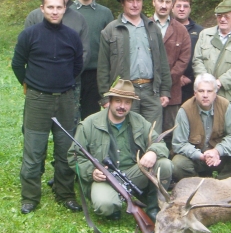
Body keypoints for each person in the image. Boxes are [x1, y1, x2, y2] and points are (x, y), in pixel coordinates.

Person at [12, 0, 84, 214]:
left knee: (65, 149)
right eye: (50, 7)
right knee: (34, 150)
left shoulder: (72, 36)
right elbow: (17, 64)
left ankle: (65, 193)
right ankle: (30, 197)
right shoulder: (29, 35)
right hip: (37, 100)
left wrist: (62, 84)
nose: (54, 11)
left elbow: (77, 66)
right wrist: (32, 85)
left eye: (59, 7)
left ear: (65, 9)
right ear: (42, 9)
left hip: (65, 100)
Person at [68, 80, 172, 222]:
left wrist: (153, 151)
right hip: (105, 178)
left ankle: (154, 208)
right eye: (118, 101)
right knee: (105, 205)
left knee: (165, 164)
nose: (122, 106)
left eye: (127, 102)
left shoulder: (139, 121)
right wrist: (91, 171)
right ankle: (114, 206)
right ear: (109, 101)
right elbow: (73, 156)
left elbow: (159, 142)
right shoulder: (88, 124)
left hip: (133, 174)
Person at [97, 0, 171, 132]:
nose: (135, 4)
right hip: (124, 93)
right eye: (130, 1)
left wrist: (165, 90)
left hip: (151, 91)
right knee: (127, 134)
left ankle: (152, 156)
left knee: (152, 134)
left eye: (138, 1)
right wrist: (105, 98)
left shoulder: (153, 28)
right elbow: (103, 67)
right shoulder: (111, 30)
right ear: (122, 3)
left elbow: (162, 62)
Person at [171, 73, 231, 181]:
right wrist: (200, 156)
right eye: (201, 91)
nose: (205, 95)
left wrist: (217, 151)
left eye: (209, 91)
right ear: (195, 93)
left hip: (219, 157)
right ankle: (197, 183)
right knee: (178, 163)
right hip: (196, 158)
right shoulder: (185, 110)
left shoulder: (225, 105)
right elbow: (179, 144)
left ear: (215, 93)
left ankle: (221, 182)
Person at [193, 0, 231, 124]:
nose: (222, 19)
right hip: (206, 95)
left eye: (226, 16)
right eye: (219, 16)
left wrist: (220, 82)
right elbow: (197, 60)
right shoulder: (205, 35)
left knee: (230, 132)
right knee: (204, 129)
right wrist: (206, 83)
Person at [152, 0, 191, 152]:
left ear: (172, 5)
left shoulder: (181, 30)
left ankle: (170, 172)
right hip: (147, 90)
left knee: (171, 132)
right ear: (154, 2)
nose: (163, 5)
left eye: (167, 2)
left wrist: (165, 86)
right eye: (160, 1)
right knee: (149, 131)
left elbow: (183, 60)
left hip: (173, 92)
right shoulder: (144, 26)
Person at [72, 0, 114, 120]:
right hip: (73, 71)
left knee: (91, 115)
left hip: (96, 72)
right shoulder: (68, 11)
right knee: (72, 114)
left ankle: (89, 143)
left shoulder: (105, 13)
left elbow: (112, 43)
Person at [171, 0, 203, 104]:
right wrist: (175, 77)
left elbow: (202, 57)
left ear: (190, 9)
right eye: (178, 6)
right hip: (170, 83)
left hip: (192, 84)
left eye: (185, 6)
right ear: (172, 7)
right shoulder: (166, 29)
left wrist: (190, 77)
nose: (181, 9)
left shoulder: (200, 32)